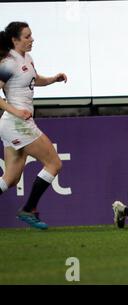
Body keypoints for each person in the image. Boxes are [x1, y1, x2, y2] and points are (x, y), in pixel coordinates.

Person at [0, 22, 67, 230]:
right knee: (54, 163)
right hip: (17, 123)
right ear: (15, 40)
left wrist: (53, 79)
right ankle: (28, 209)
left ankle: (28, 209)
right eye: (27, 36)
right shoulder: (7, 63)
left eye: (31, 36)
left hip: (16, 124)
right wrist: (17, 111)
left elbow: (34, 79)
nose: (32, 39)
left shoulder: (27, 58)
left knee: (10, 179)